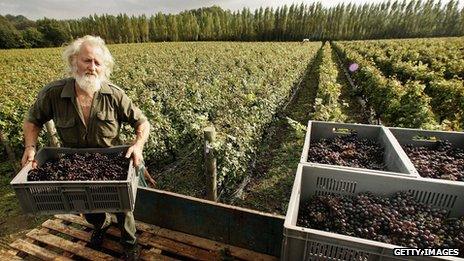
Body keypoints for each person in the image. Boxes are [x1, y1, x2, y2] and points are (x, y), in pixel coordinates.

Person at [21, 35, 152, 261]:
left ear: (104, 68)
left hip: (111, 162)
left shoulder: (114, 95)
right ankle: (100, 224)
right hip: (74, 165)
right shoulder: (54, 93)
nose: (92, 67)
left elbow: (142, 122)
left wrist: (138, 145)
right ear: (74, 62)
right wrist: (30, 147)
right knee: (86, 206)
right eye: (87, 61)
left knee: (123, 208)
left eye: (97, 63)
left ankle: (129, 243)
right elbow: (33, 120)